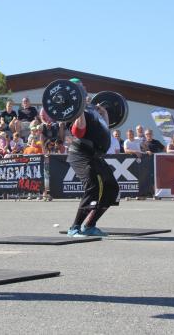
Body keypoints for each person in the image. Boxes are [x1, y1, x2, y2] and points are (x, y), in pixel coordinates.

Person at [65, 79, 120, 238]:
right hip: (80, 154)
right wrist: (80, 108)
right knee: (93, 187)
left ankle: (89, 225)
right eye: (78, 87)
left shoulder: (92, 109)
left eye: (83, 86)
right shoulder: (73, 110)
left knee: (111, 189)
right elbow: (79, 132)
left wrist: (105, 114)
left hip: (95, 154)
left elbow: (105, 131)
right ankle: (74, 227)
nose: (83, 88)